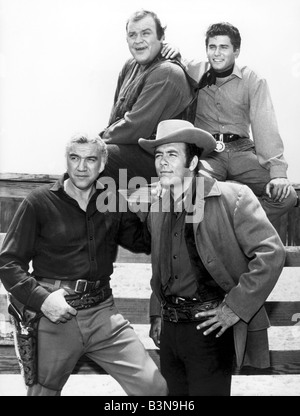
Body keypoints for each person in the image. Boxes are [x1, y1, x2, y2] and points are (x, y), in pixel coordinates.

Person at [0, 134, 167, 396]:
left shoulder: (112, 200)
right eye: (75, 158)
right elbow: (8, 262)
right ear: (66, 161)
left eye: (91, 159)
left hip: (104, 314)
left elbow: (143, 241)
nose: (81, 167)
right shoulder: (39, 202)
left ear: (102, 165)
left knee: (153, 388)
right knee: (42, 393)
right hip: (55, 313)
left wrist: (161, 205)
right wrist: (42, 301)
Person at [138, 119, 286, 396]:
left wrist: (234, 308)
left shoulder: (234, 197)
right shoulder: (157, 208)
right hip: (170, 329)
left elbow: (271, 253)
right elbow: (161, 267)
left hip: (210, 327)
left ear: (192, 163)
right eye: (158, 155)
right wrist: (157, 314)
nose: (162, 163)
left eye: (172, 154)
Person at [164, 22, 297, 226]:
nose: (217, 53)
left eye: (224, 47)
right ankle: (224, 229)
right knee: (190, 192)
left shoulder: (253, 79)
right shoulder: (196, 71)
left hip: (242, 152)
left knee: (287, 198)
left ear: (236, 50)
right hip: (209, 154)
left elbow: (265, 125)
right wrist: (173, 51)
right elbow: (173, 60)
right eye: (212, 47)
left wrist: (278, 173)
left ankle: (235, 224)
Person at [99, 9, 195, 187]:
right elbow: (115, 119)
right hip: (133, 150)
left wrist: (96, 142)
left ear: (161, 37)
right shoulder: (130, 66)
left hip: (163, 160)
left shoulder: (167, 72)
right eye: (132, 34)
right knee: (87, 156)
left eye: (146, 33)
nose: (138, 40)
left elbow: (136, 127)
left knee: (98, 156)